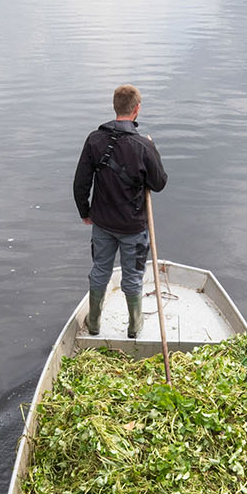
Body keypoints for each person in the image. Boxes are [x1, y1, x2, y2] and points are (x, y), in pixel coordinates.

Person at [73, 84, 166, 338]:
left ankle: (93, 325)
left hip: (102, 223)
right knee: (133, 277)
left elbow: (81, 182)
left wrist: (85, 211)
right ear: (137, 109)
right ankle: (135, 328)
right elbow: (159, 184)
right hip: (133, 227)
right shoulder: (143, 146)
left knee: (100, 271)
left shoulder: (94, 139)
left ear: (115, 107)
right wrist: (153, 149)